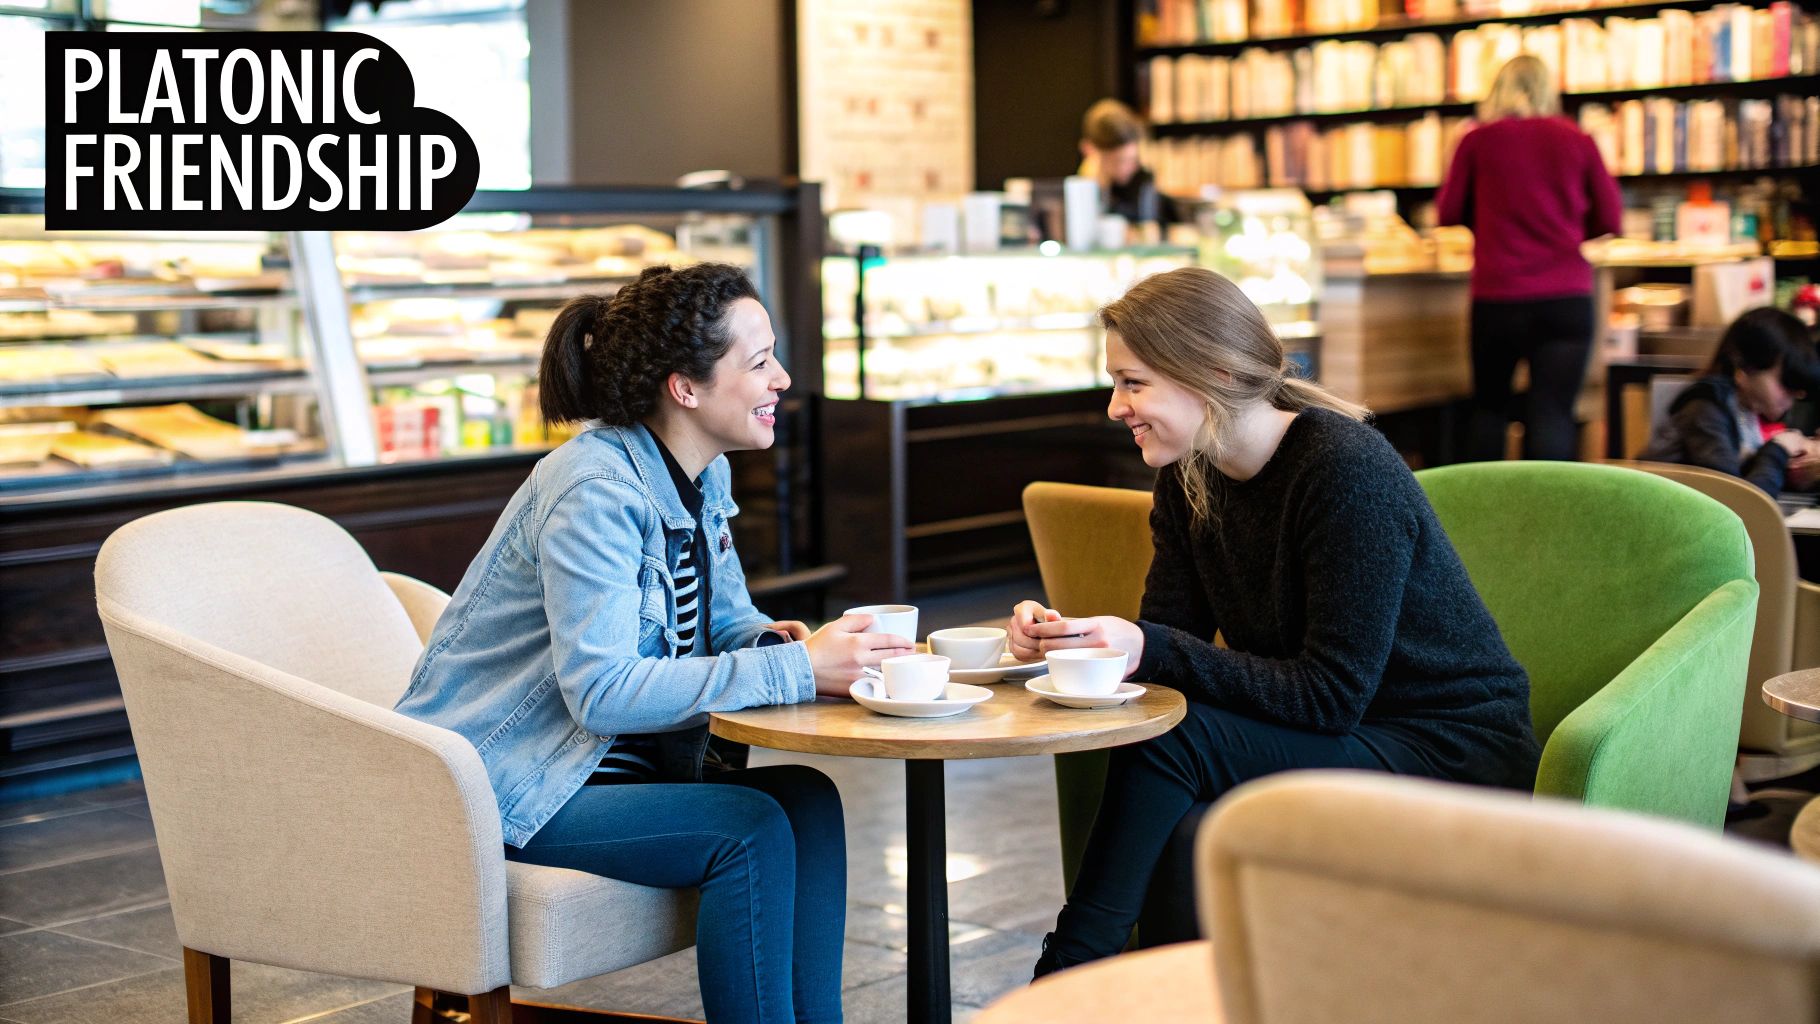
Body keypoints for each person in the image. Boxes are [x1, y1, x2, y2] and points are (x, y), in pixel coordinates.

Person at [395, 263, 912, 1024]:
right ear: (686, 388)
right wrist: (793, 668)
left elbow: (725, 620)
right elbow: (601, 691)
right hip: (512, 787)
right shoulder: (595, 490)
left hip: (597, 777)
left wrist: (783, 642)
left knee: (810, 799)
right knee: (751, 828)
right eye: (760, 361)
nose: (783, 379)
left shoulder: (701, 476)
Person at [1012, 266, 1542, 977]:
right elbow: (1171, 641)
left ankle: (1071, 975)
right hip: (1346, 731)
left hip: (1447, 748)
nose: (1115, 407)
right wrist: (1069, 641)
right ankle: (1154, 997)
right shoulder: (1186, 475)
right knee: (1186, 816)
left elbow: (1329, 694)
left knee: (1176, 741)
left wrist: (1149, 647)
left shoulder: (1345, 470)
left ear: (1211, 376)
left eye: (1132, 383)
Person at [1437, 55, 1623, 462]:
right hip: (1566, 298)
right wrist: (1566, 232)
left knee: (1490, 410)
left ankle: (1481, 517)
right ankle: (1551, 520)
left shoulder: (1477, 139)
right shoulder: (1577, 138)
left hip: (1498, 296)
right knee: (1552, 414)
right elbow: (1610, 217)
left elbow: (1447, 212)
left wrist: (1491, 226)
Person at [1641, 306, 1818, 496]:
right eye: (1786, 383)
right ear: (1743, 370)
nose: (1793, 396)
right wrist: (1778, 450)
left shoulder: (1749, 409)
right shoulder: (1704, 410)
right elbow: (1739, 502)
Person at [1078, 98, 1179, 229]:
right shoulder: (1081, 186)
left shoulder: (1142, 181)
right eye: (1120, 161)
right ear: (1089, 150)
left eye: (1133, 159)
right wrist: (1099, 185)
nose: (1130, 167)